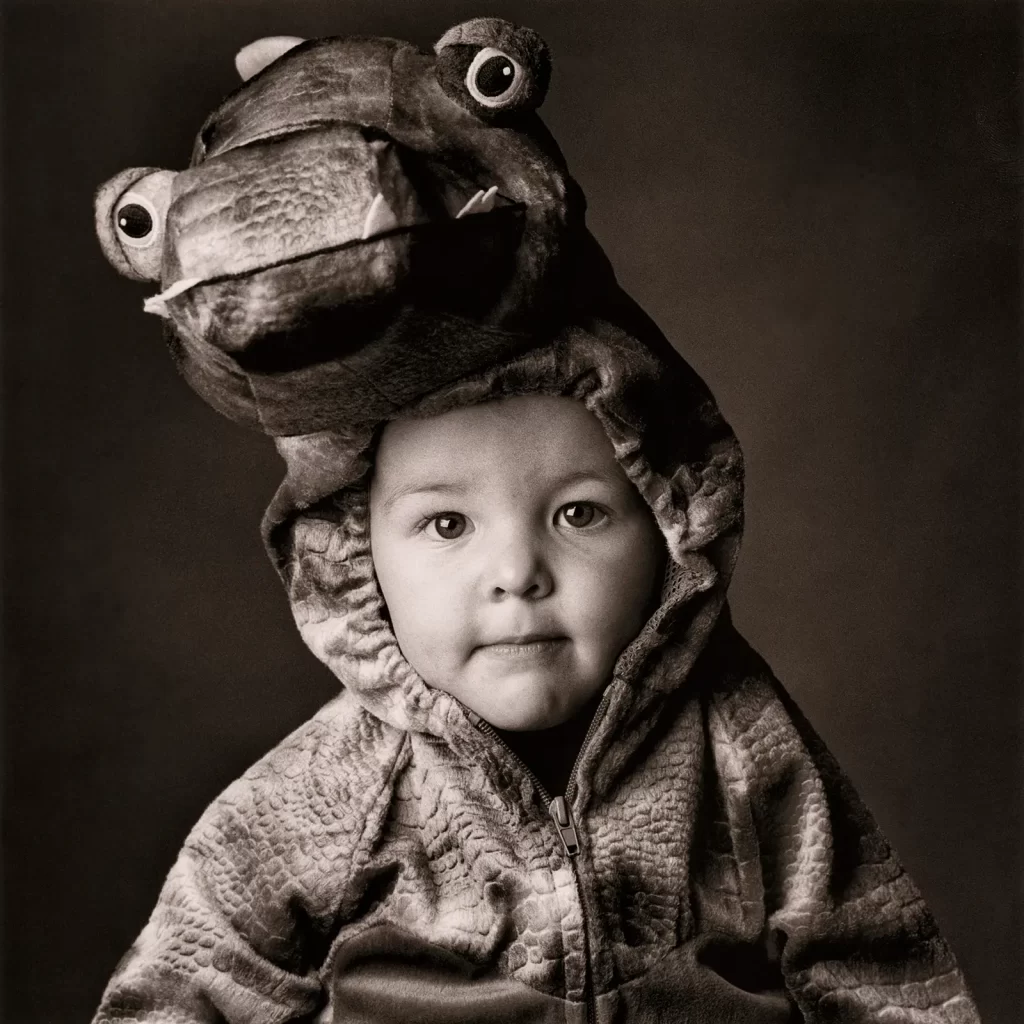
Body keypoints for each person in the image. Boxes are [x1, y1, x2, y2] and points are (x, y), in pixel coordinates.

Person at [90, 19, 980, 1024]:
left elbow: (880, 972)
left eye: (578, 511)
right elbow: (172, 998)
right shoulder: (326, 791)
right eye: (444, 526)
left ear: (670, 530)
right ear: (355, 560)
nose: (516, 570)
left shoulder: (739, 744)